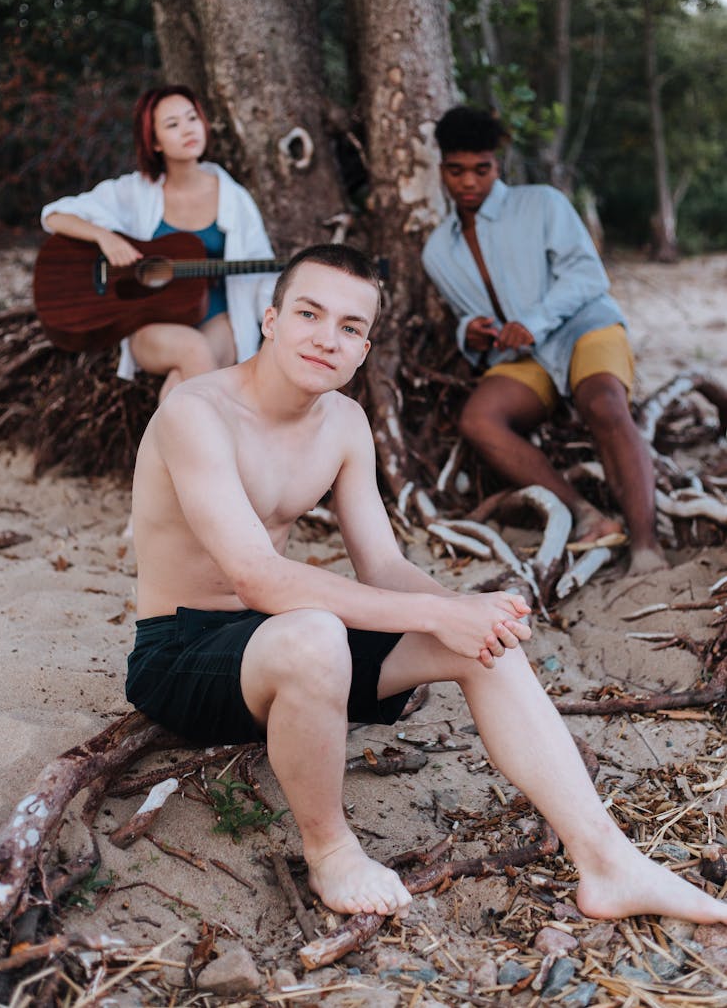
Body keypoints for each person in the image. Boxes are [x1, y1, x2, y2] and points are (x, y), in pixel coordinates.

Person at [125, 242, 726, 924]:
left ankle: (608, 862)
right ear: (270, 319)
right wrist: (433, 613)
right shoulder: (196, 413)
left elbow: (381, 565)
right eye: (309, 314)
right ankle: (331, 850)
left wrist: (462, 612)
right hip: (181, 653)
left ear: (363, 348)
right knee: (317, 635)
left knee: (483, 641)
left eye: (350, 327)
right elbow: (255, 575)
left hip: (278, 638)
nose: (327, 338)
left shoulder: (346, 423)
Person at [422, 106, 666, 575]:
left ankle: (646, 548)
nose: (469, 183)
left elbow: (587, 276)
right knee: (479, 418)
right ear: (442, 172)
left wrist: (534, 319)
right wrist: (468, 330)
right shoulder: (437, 250)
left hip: (585, 327)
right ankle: (585, 514)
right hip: (523, 355)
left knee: (604, 404)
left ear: (498, 166)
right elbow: (465, 314)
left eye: (482, 170)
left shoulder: (543, 204)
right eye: (457, 171)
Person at [40, 85, 276, 402]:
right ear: (154, 141)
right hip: (151, 322)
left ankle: (157, 452)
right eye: (173, 124)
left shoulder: (235, 198)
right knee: (194, 353)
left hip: (219, 316)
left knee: (183, 385)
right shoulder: (136, 191)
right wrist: (104, 236)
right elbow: (54, 215)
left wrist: (284, 325)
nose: (188, 129)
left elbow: (263, 269)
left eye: (192, 118)